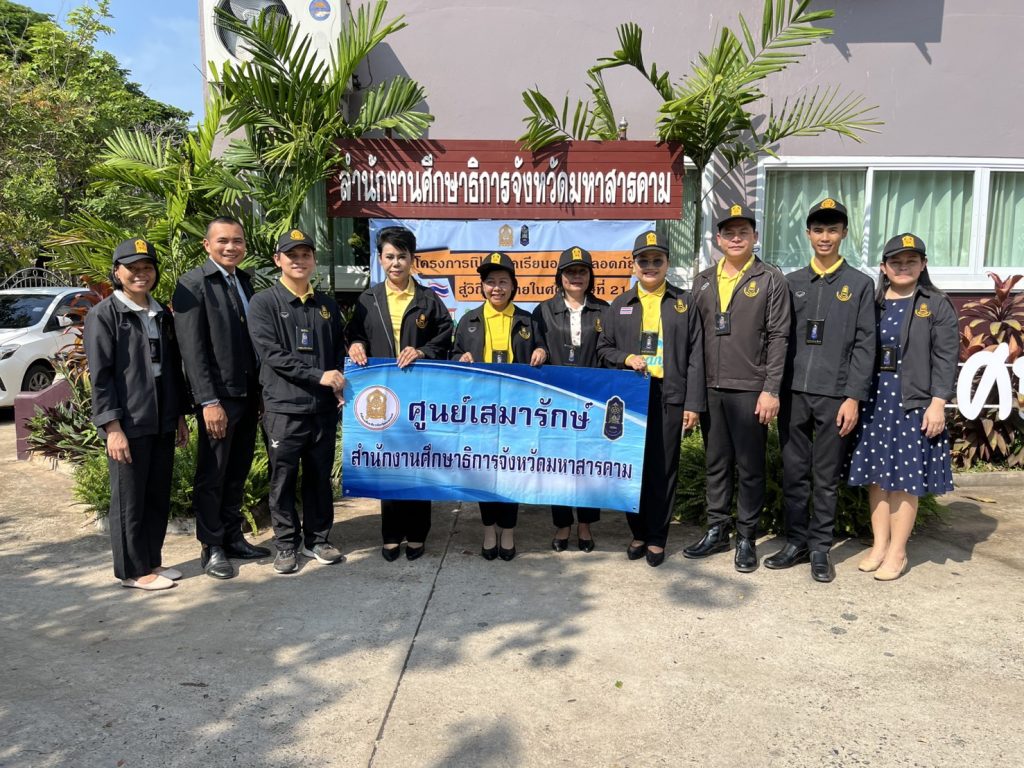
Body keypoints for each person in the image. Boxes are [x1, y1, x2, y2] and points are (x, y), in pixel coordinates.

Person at [766, 199, 876, 582]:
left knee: (825, 477)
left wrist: (853, 397)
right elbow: (777, 338)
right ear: (808, 234)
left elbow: (865, 345)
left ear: (843, 233)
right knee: (794, 473)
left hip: (834, 396)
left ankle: (819, 548)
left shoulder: (859, 285)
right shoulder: (791, 282)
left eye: (832, 229)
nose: (825, 236)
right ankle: (796, 542)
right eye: (818, 229)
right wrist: (773, 389)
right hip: (793, 393)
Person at [685, 204, 790, 572]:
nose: (735, 238)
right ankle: (717, 530)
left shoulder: (771, 278)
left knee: (749, 467)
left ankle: (746, 536)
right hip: (711, 387)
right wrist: (693, 394)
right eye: (728, 233)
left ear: (754, 237)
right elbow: (692, 340)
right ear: (718, 239)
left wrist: (771, 389)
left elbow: (779, 336)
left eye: (743, 232)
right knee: (716, 463)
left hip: (750, 388)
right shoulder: (702, 280)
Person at [847, 233, 957, 581]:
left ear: (923, 265)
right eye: (896, 262)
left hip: (914, 403)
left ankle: (898, 551)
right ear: (884, 267)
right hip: (876, 401)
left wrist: (938, 403)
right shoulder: (873, 303)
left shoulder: (935, 304)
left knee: (905, 479)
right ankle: (879, 546)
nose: (903, 267)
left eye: (911, 261)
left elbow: (946, 357)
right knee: (877, 478)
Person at [84, 238, 189, 591]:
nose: (141, 274)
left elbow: (172, 369)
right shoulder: (105, 315)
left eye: (147, 267)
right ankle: (132, 570)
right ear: (117, 272)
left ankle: (152, 561)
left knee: (157, 493)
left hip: (161, 415)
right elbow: (100, 377)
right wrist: (112, 427)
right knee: (129, 498)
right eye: (132, 268)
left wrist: (178, 415)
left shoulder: (161, 314)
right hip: (128, 420)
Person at [597, 231, 705, 567]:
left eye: (657, 260)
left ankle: (658, 536)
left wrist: (693, 404)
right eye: (643, 260)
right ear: (633, 265)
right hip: (632, 398)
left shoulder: (684, 303)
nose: (650, 266)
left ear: (667, 263)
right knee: (633, 466)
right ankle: (639, 532)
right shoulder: (620, 305)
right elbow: (603, 349)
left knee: (663, 467)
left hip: (669, 394)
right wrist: (626, 358)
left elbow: (696, 356)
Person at [347, 226, 454, 561]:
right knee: (389, 462)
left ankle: (418, 533)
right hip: (381, 395)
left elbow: (445, 336)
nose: (396, 263)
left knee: (418, 462)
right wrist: (355, 344)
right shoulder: (368, 299)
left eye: (402, 257)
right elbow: (354, 333)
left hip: (419, 394)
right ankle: (391, 534)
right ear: (380, 259)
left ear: (412, 260)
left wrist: (422, 351)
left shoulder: (428, 299)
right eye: (389, 256)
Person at [173, 217, 269, 580]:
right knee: (213, 473)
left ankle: (232, 537)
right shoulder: (193, 284)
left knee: (237, 469)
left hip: (247, 393)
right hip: (219, 398)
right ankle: (211, 546)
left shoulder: (243, 280)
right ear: (207, 245)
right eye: (223, 241)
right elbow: (192, 349)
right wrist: (208, 401)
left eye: (237, 241)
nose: (231, 247)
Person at [247, 229, 347, 574]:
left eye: (305, 255)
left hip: (322, 409)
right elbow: (272, 354)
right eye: (292, 255)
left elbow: (337, 351)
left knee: (319, 478)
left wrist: (338, 383)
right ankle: (286, 543)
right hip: (283, 409)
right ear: (278, 260)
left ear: (314, 260)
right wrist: (319, 376)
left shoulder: (327, 305)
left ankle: (317, 539)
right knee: (283, 479)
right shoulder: (264, 303)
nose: (299, 261)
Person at [452, 252, 545, 561]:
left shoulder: (527, 320)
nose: (497, 288)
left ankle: (508, 530)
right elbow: (453, 356)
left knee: (511, 471)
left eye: (503, 282)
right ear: (482, 286)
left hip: (517, 411)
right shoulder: (469, 320)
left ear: (513, 285)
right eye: (490, 282)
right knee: (485, 471)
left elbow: (542, 348)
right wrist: (460, 358)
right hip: (481, 410)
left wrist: (542, 352)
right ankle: (489, 529)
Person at [532, 246, 610, 553]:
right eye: (570, 272)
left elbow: (608, 350)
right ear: (560, 277)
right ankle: (563, 523)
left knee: (588, 463)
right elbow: (536, 343)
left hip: (593, 400)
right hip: (557, 402)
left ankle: (585, 524)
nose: (576, 277)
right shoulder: (543, 310)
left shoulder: (604, 310)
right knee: (558, 464)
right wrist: (540, 350)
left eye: (582, 271)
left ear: (590, 276)